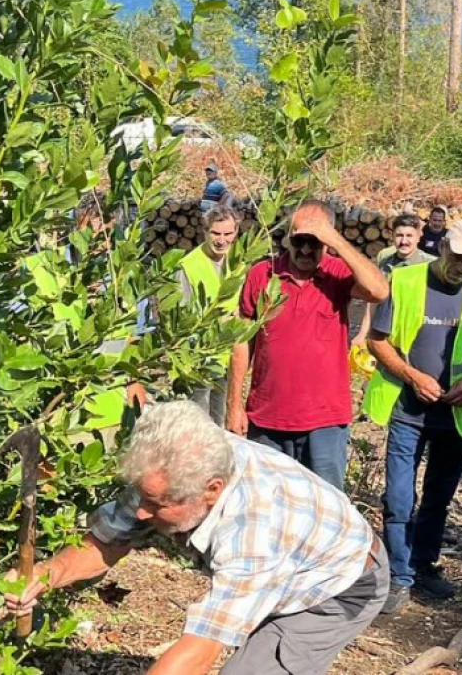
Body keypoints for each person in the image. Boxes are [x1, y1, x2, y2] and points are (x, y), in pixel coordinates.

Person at [0, 401, 387, 675]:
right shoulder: (177, 459)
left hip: (339, 584)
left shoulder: (252, 535)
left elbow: (200, 652)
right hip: (287, 559)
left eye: (155, 504)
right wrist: (44, 576)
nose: (140, 513)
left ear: (212, 490)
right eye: (142, 495)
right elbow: (106, 542)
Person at [362, 220, 462, 614]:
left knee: (438, 498)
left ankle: (424, 565)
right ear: (443, 247)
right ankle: (399, 576)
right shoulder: (405, 281)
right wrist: (412, 375)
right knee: (399, 497)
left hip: (455, 415)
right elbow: (378, 341)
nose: (461, 268)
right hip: (408, 409)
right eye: (457, 258)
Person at [228, 200, 389, 492]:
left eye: (313, 243)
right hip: (267, 418)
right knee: (267, 506)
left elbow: (378, 290)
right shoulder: (262, 274)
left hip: (324, 421)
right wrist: (234, 405)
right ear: (288, 237)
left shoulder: (337, 273)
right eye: (298, 240)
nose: (304, 250)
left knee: (326, 508)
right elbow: (242, 342)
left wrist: (336, 241)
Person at [173, 206, 245, 422]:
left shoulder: (240, 262)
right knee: (200, 426)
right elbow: (179, 319)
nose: (221, 240)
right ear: (204, 232)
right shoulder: (188, 266)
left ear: (236, 232)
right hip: (199, 360)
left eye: (227, 234)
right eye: (215, 233)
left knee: (223, 423)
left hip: (230, 358)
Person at [354, 214, 436, 355]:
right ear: (392, 236)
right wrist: (362, 334)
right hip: (385, 333)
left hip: (416, 338)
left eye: (409, 236)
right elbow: (373, 302)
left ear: (418, 236)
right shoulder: (385, 261)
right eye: (399, 235)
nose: (404, 241)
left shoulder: (430, 265)